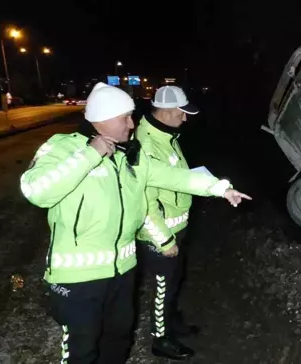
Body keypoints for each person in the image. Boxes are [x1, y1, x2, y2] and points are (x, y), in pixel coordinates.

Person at [19, 82, 251, 364]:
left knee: (118, 340)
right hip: (78, 278)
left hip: (123, 271)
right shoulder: (62, 147)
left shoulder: (129, 155)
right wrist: (90, 155)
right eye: (125, 118)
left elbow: (175, 177)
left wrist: (220, 188)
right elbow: (36, 190)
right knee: (82, 350)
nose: (132, 124)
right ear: (103, 119)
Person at [133, 85, 202, 360]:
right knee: (163, 289)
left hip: (176, 227)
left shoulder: (165, 135)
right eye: (181, 113)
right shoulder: (147, 145)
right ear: (165, 111)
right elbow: (144, 203)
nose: (185, 118)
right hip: (161, 235)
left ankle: (172, 324)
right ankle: (160, 340)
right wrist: (164, 240)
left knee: (174, 281)